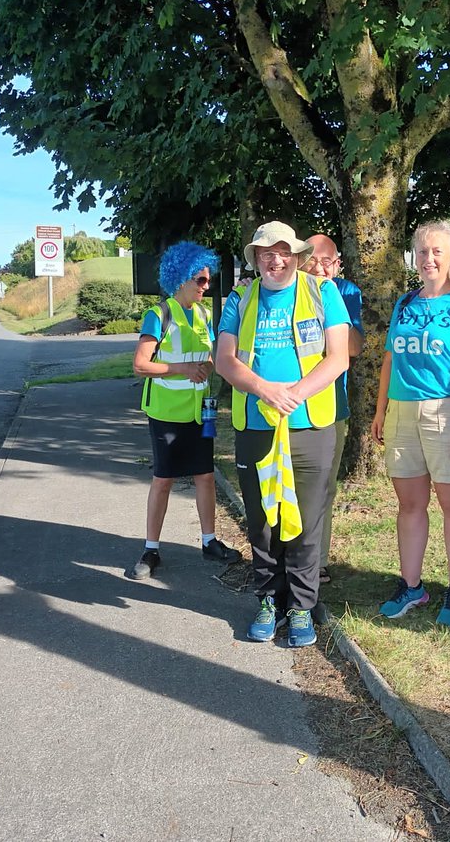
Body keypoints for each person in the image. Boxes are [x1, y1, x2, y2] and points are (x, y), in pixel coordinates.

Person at [215, 221, 350, 647]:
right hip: (256, 426)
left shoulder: (323, 292)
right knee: (262, 520)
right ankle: (269, 600)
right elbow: (224, 360)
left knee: (306, 522)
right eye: (265, 253)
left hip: (310, 426)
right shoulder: (240, 298)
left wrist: (293, 395)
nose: (275, 260)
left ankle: (301, 607)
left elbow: (338, 357)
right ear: (255, 259)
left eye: (283, 252)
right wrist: (264, 390)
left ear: (297, 255)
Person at [370, 220, 450, 628]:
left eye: (438, 251)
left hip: (447, 411)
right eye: (422, 252)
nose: (429, 259)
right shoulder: (405, 303)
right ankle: (412, 585)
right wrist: (381, 411)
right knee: (409, 505)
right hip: (403, 413)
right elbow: (390, 360)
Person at [128, 241, 242, 580]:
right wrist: (183, 369)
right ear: (180, 279)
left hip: (201, 411)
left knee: (205, 475)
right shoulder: (159, 314)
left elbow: (208, 354)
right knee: (163, 480)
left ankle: (209, 542)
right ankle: (150, 550)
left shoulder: (204, 314)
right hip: (167, 413)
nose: (206, 287)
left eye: (208, 280)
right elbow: (140, 365)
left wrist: (208, 365)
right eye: (200, 280)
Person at [301, 233, 364, 586]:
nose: (321, 268)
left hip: (329, 406)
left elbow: (353, 349)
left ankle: (317, 561)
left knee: (323, 487)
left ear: (339, 263)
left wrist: (331, 301)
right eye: (314, 261)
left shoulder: (346, 292)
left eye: (329, 261)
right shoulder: (287, 289)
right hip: (285, 405)